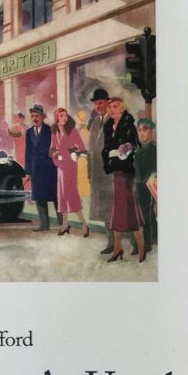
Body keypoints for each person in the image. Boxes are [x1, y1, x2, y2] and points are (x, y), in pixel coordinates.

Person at [101, 96, 145, 262]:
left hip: (126, 172)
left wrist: (127, 148)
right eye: (110, 107)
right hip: (116, 171)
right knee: (119, 209)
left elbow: (135, 145)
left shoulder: (129, 125)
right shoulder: (108, 126)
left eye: (115, 106)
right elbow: (106, 149)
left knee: (129, 208)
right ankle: (118, 249)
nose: (112, 109)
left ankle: (141, 248)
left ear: (122, 108)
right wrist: (109, 158)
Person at [50, 107, 89, 236]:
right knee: (61, 196)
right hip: (60, 168)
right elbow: (51, 150)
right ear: (57, 118)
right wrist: (56, 158)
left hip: (71, 168)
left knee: (72, 195)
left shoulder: (73, 131)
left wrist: (74, 155)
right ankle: (65, 224)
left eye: (66, 115)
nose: (64, 118)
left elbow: (82, 149)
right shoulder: (54, 132)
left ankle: (84, 224)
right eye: (61, 116)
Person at [25, 104, 61, 231]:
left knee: (56, 197)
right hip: (36, 171)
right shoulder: (29, 132)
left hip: (50, 170)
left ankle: (63, 224)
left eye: (37, 116)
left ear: (42, 117)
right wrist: (28, 171)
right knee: (39, 199)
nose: (35, 118)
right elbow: (27, 152)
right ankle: (44, 225)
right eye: (33, 116)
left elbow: (57, 147)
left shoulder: (49, 130)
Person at [86, 87, 114, 255]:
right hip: (97, 173)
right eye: (96, 104)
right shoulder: (96, 122)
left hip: (110, 174)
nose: (99, 106)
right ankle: (111, 242)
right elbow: (90, 150)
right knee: (104, 210)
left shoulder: (114, 120)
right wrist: (89, 172)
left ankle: (118, 242)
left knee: (114, 209)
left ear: (107, 103)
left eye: (101, 103)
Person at [134, 118, 157, 251]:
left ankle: (147, 242)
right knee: (143, 213)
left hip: (148, 185)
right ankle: (153, 238)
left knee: (146, 213)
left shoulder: (154, 150)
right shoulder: (138, 150)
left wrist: (154, 176)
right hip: (138, 184)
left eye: (145, 129)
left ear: (151, 131)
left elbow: (157, 169)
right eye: (140, 129)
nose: (142, 133)